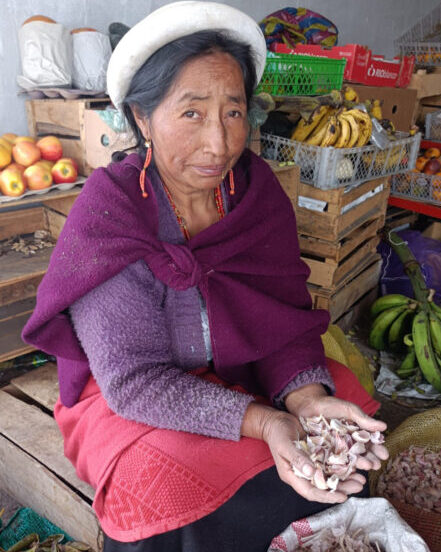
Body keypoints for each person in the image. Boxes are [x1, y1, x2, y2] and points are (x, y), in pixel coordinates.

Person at [22, 2, 388, 551]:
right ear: (141, 118)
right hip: (133, 393)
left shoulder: (255, 191)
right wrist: (265, 422)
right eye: (191, 113)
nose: (219, 143)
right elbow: (134, 383)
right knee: (164, 482)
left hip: (240, 366)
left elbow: (282, 323)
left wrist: (304, 400)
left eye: (234, 112)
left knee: (341, 411)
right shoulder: (112, 211)